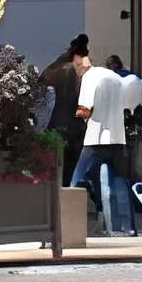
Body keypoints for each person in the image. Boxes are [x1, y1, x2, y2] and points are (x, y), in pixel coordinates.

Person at [72, 53, 142, 236]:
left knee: (75, 182)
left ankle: (68, 225)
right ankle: (127, 227)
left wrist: (79, 123)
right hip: (118, 138)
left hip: (96, 138)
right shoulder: (115, 78)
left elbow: (84, 109)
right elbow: (127, 106)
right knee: (120, 183)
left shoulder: (89, 78)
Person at [42, 36, 90, 178]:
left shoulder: (53, 70)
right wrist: (85, 120)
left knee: (56, 172)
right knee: (71, 172)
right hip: (72, 128)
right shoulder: (77, 72)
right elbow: (82, 101)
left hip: (53, 125)